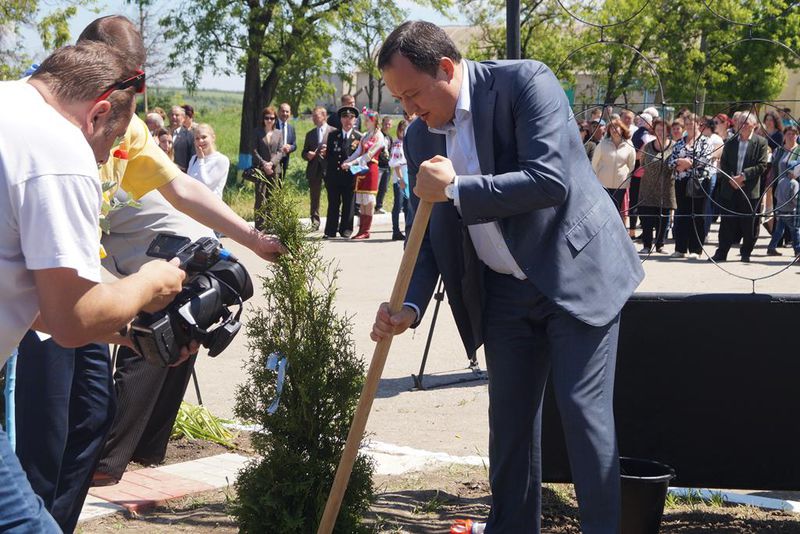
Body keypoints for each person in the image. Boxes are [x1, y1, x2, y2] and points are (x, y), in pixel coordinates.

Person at [13, 16, 285, 533]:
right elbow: (63, 317)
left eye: (138, 80)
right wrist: (146, 289)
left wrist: (249, 237)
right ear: (92, 67)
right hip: (35, 302)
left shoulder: (123, 122)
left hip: (81, 285)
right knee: (42, 436)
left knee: (92, 420)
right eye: (127, 79)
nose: (133, 96)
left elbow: (179, 187)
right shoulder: (53, 134)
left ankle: (52, 525)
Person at [371, 21, 643, 534]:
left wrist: (456, 188)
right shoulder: (419, 137)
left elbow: (549, 181)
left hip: (574, 274)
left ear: (446, 70)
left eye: (412, 94)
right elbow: (426, 234)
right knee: (510, 430)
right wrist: (407, 306)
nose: (408, 110)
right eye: (399, 99)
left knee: (584, 419)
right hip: (501, 294)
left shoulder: (526, 83)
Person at [1, 40, 186, 533]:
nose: (106, 157)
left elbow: (35, 300)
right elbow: (71, 320)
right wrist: (150, 281)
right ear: (98, 112)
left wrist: (128, 329)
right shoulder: (59, 147)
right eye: (112, 143)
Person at [711, 111, 770, 263]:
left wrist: (743, 176)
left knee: (748, 224)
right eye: (740, 123)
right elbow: (723, 163)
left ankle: (746, 253)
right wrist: (731, 178)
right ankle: (722, 252)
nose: (742, 126)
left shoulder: (761, 142)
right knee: (726, 222)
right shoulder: (730, 142)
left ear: (753, 126)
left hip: (749, 189)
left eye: (746, 123)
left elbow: (762, 165)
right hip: (730, 188)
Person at [666, 114, 713, 259]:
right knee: (681, 215)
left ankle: (695, 249)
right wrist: (680, 163)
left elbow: (705, 159)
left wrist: (688, 163)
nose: (688, 126)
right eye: (686, 123)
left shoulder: (705, 141)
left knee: (697, 216)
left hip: (699, 183)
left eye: (691, 123)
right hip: (681, 182)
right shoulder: (679, 142)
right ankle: (680, 248)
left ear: (699, 124)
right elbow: (670, 161)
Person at [342, 107, 385, 240]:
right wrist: (347, 160)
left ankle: (366, 230)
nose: (365, 122)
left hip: (371, 169)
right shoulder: (365, 135)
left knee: (369, 201)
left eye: (367, 119)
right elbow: (358, 152)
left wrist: (351, 164)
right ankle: (361, 230)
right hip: (361, 170)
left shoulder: (379, 136)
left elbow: (368, 155)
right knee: (362, 202)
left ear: (374, 120)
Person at [637, 117, 676, 254]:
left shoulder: (674, 146)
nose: (660, 132)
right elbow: (642, 163)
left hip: (666, 188)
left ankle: (660, 245)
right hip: (648, 187)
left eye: (663, 130)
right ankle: (647, 245)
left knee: (663, 219)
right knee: (647, 218)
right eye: (658, 130)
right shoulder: (648, 146)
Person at [323, 106, 362, 238]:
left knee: (349, 204)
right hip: (334, 176)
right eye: (345, 117)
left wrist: (354, 171)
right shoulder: (333, 135)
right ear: (340, 119)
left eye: (351, 117)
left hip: (350, 176)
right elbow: (328, 156)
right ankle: (330, 230)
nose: (347, 120)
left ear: (355, 120)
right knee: (333, 203)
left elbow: (361, 159)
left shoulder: (359, 137)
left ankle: (346, 229)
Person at [592, 118, 636, 222]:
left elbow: (631, 166)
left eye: (616, 127)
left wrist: (626, 179)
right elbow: (594, 163)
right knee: (603, 209)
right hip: (603, 184)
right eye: (611, 127)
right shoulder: (602, 144)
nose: (614, 130)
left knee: (617, 210)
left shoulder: (629, 145)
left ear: (622, 129)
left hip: (621, 185)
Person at [766, 125, 800, 255]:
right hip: (779, 189)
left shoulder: (798, 150)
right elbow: (773, 168)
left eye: (794, 134)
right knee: (782, 220)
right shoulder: (778, 150)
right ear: (784, 135)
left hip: (795, 189)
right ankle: (793, 249)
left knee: (790, 221)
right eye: (788, 133)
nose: (791, 136)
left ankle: (792, 248)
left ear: (797, 135)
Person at [250, 105, 284, 230]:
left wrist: (271, 163)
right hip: (260, 168)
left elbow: (280, 151)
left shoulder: (278, 133)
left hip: (274, 169)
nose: (269, 120)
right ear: (263, 119)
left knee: (272, 197)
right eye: (267, 118)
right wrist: (264, 163)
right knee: (260, 196)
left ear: (275, 119)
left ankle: (271, 225)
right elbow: (253, 150)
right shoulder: (257, 132)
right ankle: (259, 226)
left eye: (272, 118)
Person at [301, 106, 335, 230]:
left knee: (333, 196)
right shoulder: (310, 134)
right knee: (314, 197)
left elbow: (339, 152)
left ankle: (333, 221)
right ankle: (315, 222)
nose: (314, 119)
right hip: (314, 168)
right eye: (313, 116)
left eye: (316, 116)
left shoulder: (333, 131)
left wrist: (329, 152)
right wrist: (307, 155)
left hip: (329, 168)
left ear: (324, 116)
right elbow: (303, 152)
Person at [187, 123, 230, 199]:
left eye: (204, 137)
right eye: (197, 138)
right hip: (193, 206)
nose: (200, 141)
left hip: (211, 207)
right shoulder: (194, 159)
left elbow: (206, 184)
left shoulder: (221, 160)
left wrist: (201, 160)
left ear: (213, 138)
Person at [388, 119, 413, 240]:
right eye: (403, 130)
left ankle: (409, 229)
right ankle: (395, 230)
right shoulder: (398, 144)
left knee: (408, 205)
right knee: (398, 205)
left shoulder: (408, 143)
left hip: (408, 175)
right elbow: (396, 163)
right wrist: (401, 179)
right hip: (401, 177)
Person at [375, 115, 394, 213]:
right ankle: (370, 206)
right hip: (378, 165)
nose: (387, 126)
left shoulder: (390, 138)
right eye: (386, 124)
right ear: (382, 124)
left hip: (387, 166)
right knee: (375, 187)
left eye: (389, 124)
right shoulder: (378, 135)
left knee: (384, 187)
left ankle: (379, 206)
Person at [170, 105, 195, 171]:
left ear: (183, 118)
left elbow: (193, 157)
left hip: (181, 174)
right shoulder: (163, 133)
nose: (174, 117)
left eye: (177, 115)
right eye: (172, 115)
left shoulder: (190, 136)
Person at [276, 102, 297, 176]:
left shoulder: (291, 128)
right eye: (283, 111)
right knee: (271, 184)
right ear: (278, 112)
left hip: (284, 160)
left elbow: (294, 145)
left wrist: (290, 147)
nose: (285, 113)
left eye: (287, 111)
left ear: (290, 113)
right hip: (272, 160)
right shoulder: (272, 125)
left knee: (280, 184)